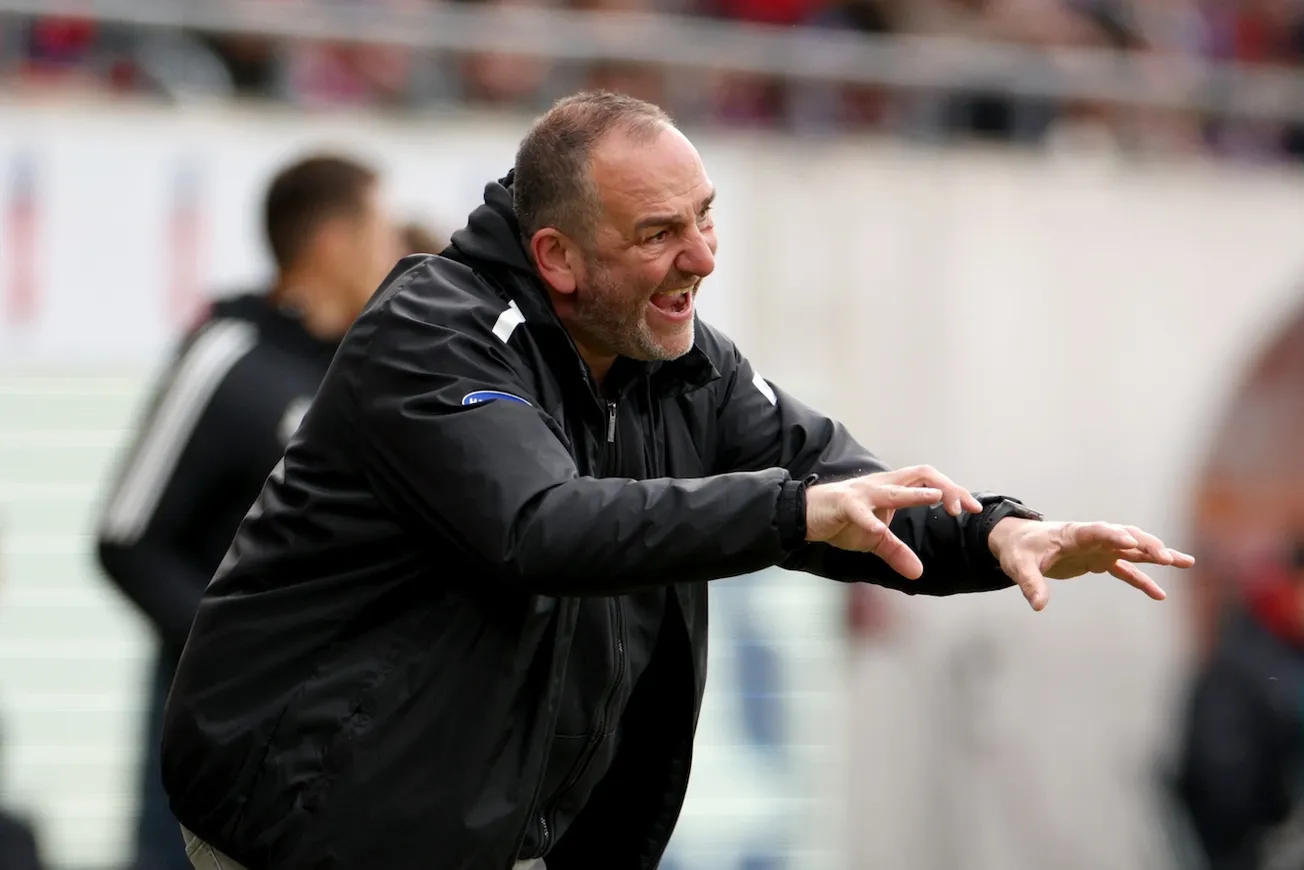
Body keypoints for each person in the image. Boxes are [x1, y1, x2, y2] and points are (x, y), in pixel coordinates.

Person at [160, 91, 1193, 870]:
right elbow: (543, 527)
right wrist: (788, 513)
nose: (699, 257)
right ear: (556, 256)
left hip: (491, 834)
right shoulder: (435, 334)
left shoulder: (682, 360)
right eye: (658, 233)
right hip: (318, 829)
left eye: (705, 217)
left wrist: (998, 533)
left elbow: (836, 480)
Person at [96, 154, 399, 870]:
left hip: (331, 737)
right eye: (382, 235)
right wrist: (242, 653)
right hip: (215, 726)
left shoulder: (360, 370)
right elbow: (126, 538)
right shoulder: (228, 353)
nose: (395, 259)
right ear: (332, 242)